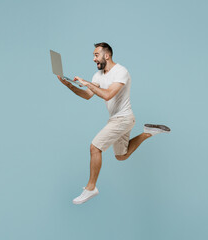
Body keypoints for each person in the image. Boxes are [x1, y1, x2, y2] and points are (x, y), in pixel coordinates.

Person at [57, 42, 170, 204]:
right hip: (120, 120)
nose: (94, 59)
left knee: (95, 147)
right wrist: (69, 85)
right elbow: (87, 95)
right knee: (121, 156)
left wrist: (87, 82)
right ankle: (148, 132)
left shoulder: (120, 72)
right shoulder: (98, 76)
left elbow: (108, 94)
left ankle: (91, 188)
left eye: (96, 55)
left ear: (107, 55)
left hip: (123, 118)